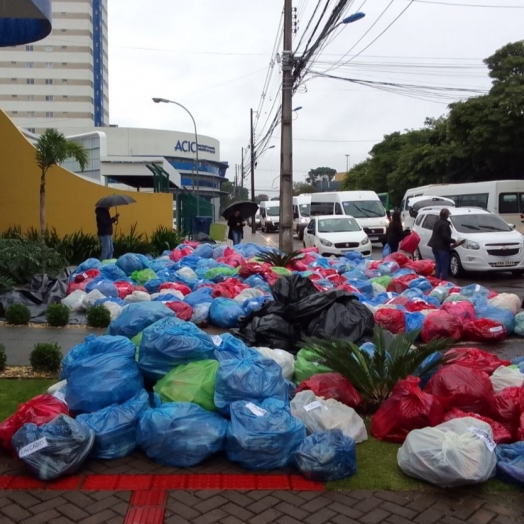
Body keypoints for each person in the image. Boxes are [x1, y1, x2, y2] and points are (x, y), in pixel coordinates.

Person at [428, 208, 460, 280]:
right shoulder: (445, 225)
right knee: (444, 267)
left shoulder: (437, 222)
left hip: (435, 247)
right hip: (442, 248)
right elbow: (445, 237)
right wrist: (454, 241)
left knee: (438, 265)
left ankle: (436, 282)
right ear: (447, 215)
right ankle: (443, 283)